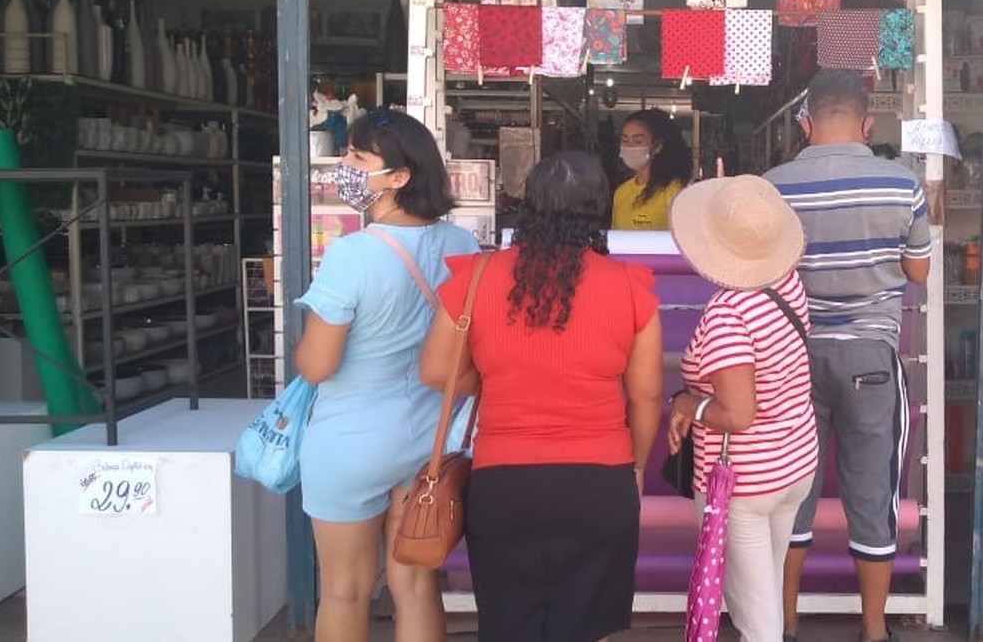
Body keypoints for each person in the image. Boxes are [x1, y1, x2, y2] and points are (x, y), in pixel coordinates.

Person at [420, 151, 664, 642]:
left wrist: (496, 376)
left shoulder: (476, 276)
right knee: (588, 625)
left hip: (503, 481)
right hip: (600, 481)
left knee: (510, 624)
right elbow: (646, 396)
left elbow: (435, 371)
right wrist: (633, 468)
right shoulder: (631, 287)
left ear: (528, 205)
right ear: (599, 210)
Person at [293, 108, 480, 642]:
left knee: (345, 590)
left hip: (351, 440)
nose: (344, 165)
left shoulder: (351, 255)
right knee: (418, 587)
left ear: (399, 176)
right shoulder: (461, 247)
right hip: (429, 441)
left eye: (357, 156)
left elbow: (317, 364)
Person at [764, 69, 931, 642]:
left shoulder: (772, 186)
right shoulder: (901, 182)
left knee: (789, 492)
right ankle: (874, 629)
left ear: (805, 121)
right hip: (870, 357)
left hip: (790, 358)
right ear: (867, 122)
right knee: (871, 494)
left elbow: (762, 273)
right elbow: (919, 270)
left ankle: (782, 623)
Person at [666, 174, 819, 642]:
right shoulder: (786, 282)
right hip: (794, 463)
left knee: (756, 618)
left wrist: (689, 404)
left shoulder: (729, 312)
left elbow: (738, 415)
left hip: (745, 482)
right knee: (764, 592)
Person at [611, 108, 692, 230]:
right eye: (625, 140)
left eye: (638, 141)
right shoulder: (621, 193)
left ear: (657, 146)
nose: (629, 146)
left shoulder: (675, 191)